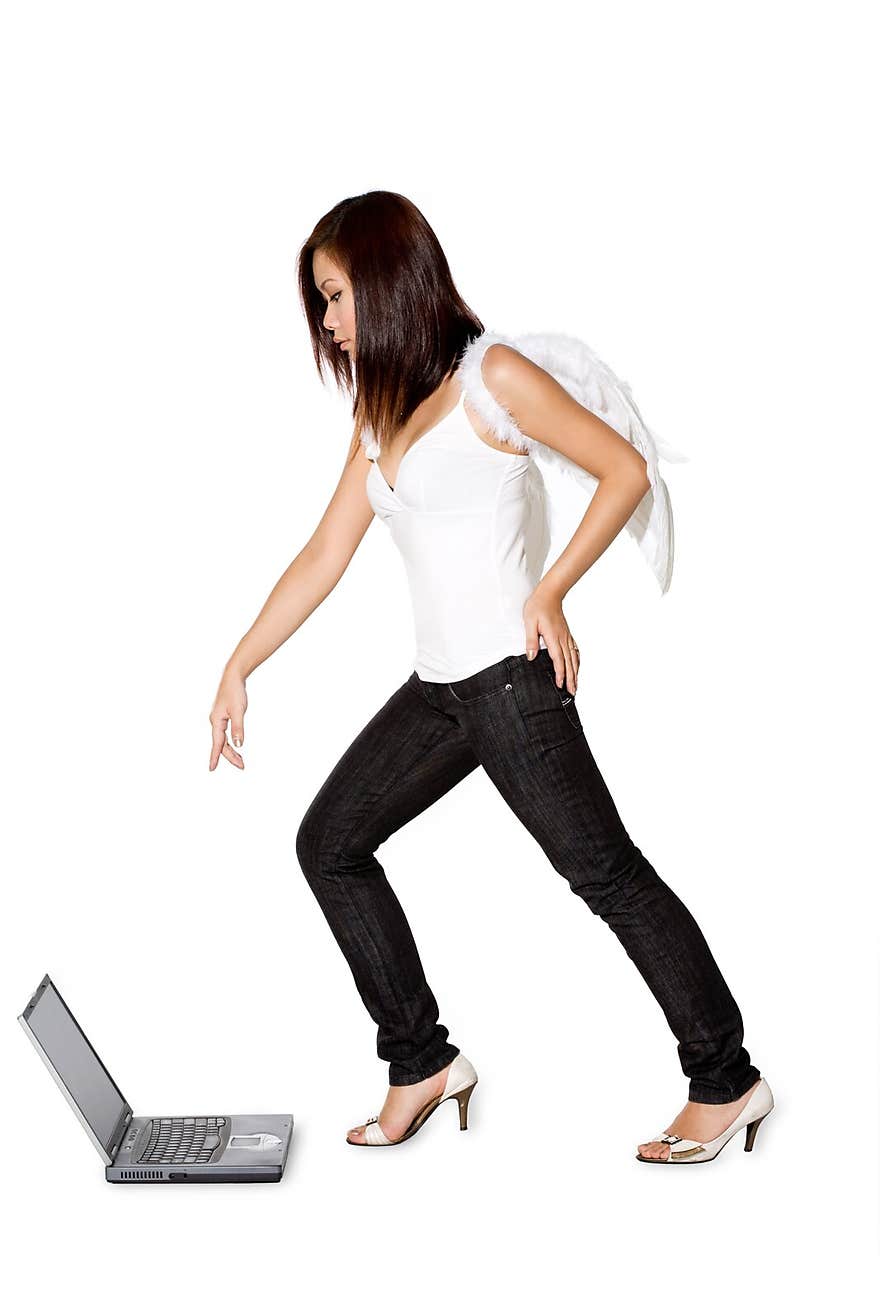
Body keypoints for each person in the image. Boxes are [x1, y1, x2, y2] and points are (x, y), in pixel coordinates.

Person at [208, 190, 774, 1164]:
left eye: (338, 298)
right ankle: (421, 1061)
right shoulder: (380, 410)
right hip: (439, 693)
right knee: (330, 842)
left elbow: (625, 469)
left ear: (386, 283)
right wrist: (238, 664)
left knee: (606, 876)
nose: (331, 323)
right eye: (323, 304)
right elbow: (323, 554)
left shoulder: (492, 376)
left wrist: (551, 590)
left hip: (510, 687)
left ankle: (727, 1081)